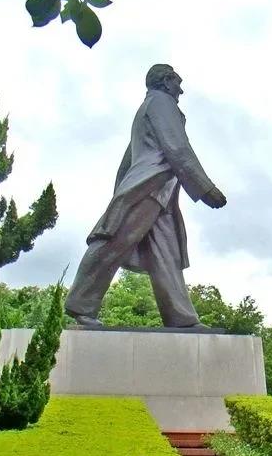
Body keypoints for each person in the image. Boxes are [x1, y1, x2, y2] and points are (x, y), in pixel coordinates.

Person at [64, 64, 227, 328]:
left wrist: (120, 191)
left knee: (167, 255)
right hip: (148, 186)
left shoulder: (148, 109)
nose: (181, 89)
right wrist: (205, 188)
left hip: (161, 192)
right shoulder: (161, 102)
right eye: (177, 81)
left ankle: (180, 318)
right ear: (165, 81)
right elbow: (178, 148)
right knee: (114, 241)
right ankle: (80, 305)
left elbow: (128, 159)